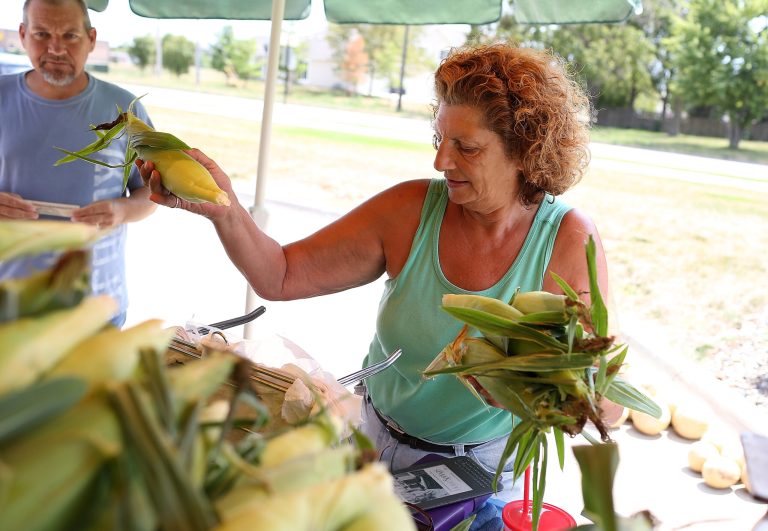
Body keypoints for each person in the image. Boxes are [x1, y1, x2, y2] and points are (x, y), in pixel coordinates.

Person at [137, 43, 608, 504]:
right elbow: (279, 275)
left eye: (466, 147)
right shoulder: (409, 210)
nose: (441, 161)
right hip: (374, 441)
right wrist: (226, 210)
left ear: (526, 153)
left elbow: (598, 397)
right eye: (440, 139)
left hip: (479, 475)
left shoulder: (567, 241)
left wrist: (546, 395)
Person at [0, 0, 156, 327]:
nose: (56, 48)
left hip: (97, 307)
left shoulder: (125, 110)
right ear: (24, 35)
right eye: (42, 34)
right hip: (10, 302)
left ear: (91, 39)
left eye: (70, 36)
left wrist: (122, 211)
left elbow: (152, 194)